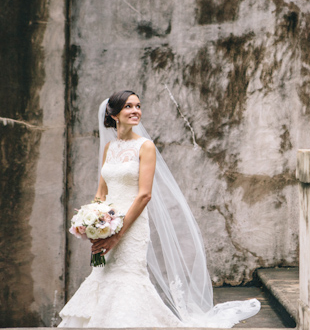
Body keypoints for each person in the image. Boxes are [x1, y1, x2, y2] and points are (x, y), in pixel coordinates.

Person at [59, 90, 260, 328]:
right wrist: (93, 225)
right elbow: (101, 193)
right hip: (107, 223)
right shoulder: (109, 148)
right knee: (103, 275)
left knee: (127, 278)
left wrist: (118, 233)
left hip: (131, 227)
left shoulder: (145, 147)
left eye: (138, 106)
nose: (135, 111)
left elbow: (144, 194)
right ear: (113, 114)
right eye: (128, 107)